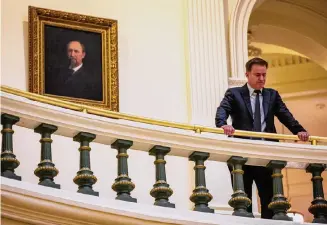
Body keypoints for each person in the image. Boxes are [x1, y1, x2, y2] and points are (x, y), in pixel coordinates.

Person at [215, 57, 309, 219]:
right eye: (257, 75)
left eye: (264, 75)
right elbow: (222, 110)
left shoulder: (272, 95)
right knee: (243, 200)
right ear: (247, 74)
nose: (262, 79)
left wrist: (299, 130)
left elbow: (285, 116)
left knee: (269, 200)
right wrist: (223, 124)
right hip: (241, 154)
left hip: (267, 154)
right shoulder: (234, 93)